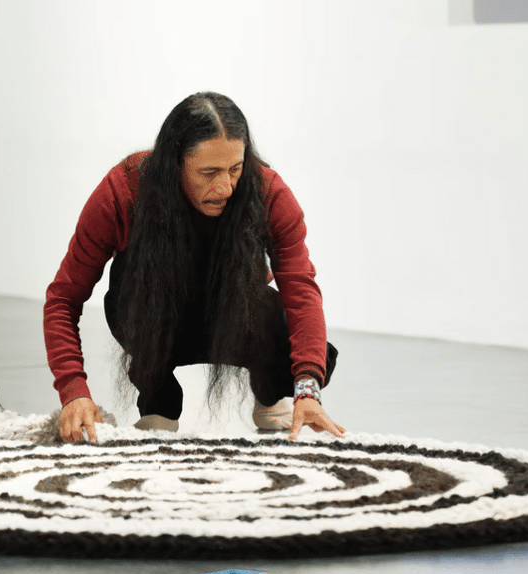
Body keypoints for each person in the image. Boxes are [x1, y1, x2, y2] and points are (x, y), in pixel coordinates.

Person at [44, 92, 344, 444]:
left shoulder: (268, 192)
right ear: (174, 163)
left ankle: (270, 393)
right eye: (209, 173)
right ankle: (158, 402)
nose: (226, 187)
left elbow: (301, 291)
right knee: (128, 284)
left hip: (232, 315)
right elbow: (63, 298)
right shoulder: (123, 190)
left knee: (307, 345)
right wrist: (73, 391)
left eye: (235, 169)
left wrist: (307, 389)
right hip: (155, 315)